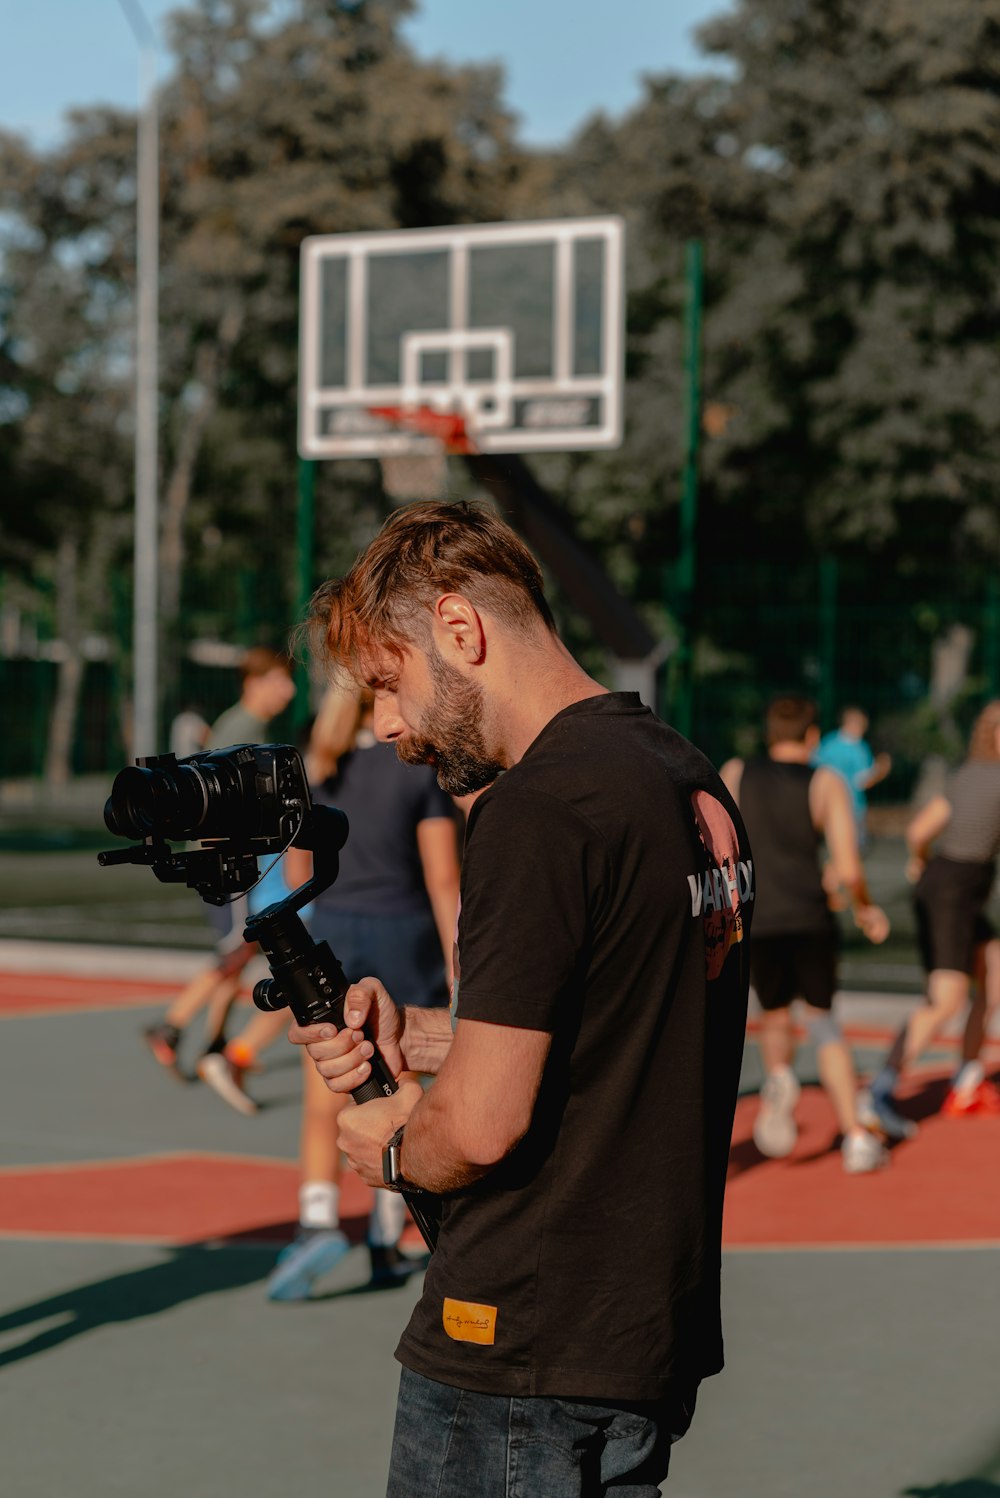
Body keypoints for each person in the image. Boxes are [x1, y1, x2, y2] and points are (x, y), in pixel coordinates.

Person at [288, 500, 753, 1498]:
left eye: (388, 681)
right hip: (639, 1329)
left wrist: (394, 1146)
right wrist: (418, 1034)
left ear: (460, 629)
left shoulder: (538, 808)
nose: (386, 723)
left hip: (517, 1342)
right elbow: (619, 1023)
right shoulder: (682, 775)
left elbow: (485, 1125)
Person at [264, 684, 461, 1300]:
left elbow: (298, 877)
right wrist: (462, 967)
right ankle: (386, 1228)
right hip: (407, 936)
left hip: (336, 934)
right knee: (400, 1082)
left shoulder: (316, 769)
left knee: (326, 1084)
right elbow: (443, 875)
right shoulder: (415, 769)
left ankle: (317, 1219)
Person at [721, 695, 890, 1174]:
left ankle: (778, 1077)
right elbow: (848, 865)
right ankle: (855, 1138)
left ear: (770, 732)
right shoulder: (826, 782)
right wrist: (865, 907)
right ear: (813, 737)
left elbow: (717, 843)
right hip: (808, 915)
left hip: (757, 917)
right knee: (823, 1021)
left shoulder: (736, 772)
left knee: (773, 1013)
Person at [142, 646, 296, 1102]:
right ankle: (171, 1026)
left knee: (240, 954)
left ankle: (211, 1042)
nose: (288, 690)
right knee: (237, 951)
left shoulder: (248, 727)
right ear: (255, 683)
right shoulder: (242, 730)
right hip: (224, 863)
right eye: (280, 681)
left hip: (230, 861)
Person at [862, 700, 1000, 1136]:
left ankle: (967, 1083)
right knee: (947, 1000)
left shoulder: (966, 775)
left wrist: (921, 863)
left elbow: (919, 831)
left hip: (949, 885)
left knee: (993, 971)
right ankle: (877, 1094)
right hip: (954, 892)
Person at [812, 706, 892, 846]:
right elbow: (863, 781)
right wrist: (881, 770)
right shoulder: (860, 749)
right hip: (853, 806)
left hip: (827, 804)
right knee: (852, 848)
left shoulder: (829, 742)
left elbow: (814, 766)